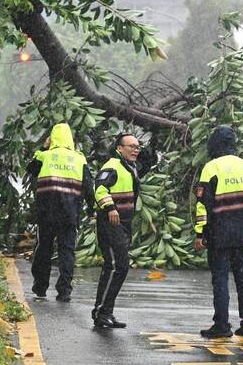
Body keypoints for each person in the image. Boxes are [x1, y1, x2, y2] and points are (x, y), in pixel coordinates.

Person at [194, 126, 243, 339]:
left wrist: (200, 234)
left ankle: (222, 325)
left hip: (219, 234)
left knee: (221, 279)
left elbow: (202, 205)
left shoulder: (211, 167)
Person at [91, 133, 156, 329]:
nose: (136, 150)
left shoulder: (131, 167)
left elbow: (149, 159)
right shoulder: (113, 166)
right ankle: (101, 311)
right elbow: (99, 189)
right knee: (116, 265)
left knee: (119, 267)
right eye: (131, 146)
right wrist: (110, 207)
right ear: (119, 148)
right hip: (110, 223)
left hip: (124, 223)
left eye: (138, 146)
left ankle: (106, 312)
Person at [26, 123, 95, 302]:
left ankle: (40, 287)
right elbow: (88, 186)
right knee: (67, 251)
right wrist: (92, 208)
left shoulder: (43, 156)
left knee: (44, 249)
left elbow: (30, 171)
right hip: (70, 213)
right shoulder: (80, 159)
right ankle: (64, 291)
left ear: (52, 138)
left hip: (46, 213)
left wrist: (44, 147)